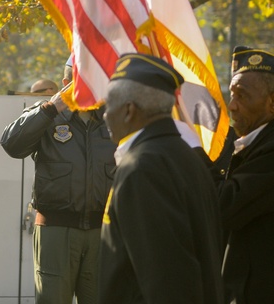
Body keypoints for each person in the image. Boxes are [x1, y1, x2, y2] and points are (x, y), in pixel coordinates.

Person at [99, 53, 223, 304]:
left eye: (107, 105)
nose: (104, 115)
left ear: (129, 110)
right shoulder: (185, 157)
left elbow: (167, 279)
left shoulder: (142, 169)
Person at [1, 57, 114, 304]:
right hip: (56, 230)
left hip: (101, 232)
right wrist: (51, 109)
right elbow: (11, 144)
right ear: (66, 83)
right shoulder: (47, 113)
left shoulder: (113, 118)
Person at [217, 46, 274, 303]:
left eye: (242, 96)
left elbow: (226, 206)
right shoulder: (251, 143)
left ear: (271, 102)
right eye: (231, 94)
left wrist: (198, 157)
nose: (232, 106)